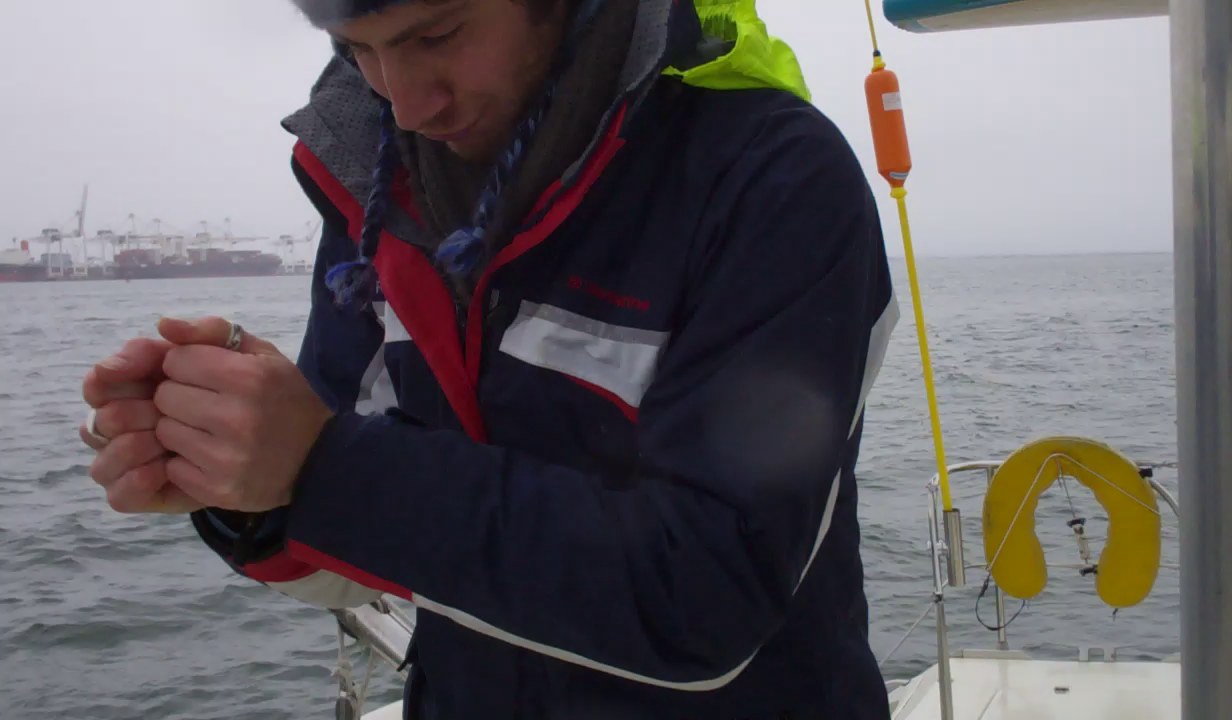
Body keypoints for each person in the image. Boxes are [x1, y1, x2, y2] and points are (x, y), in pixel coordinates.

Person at [79, 0, 899, 717]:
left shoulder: (774, 179)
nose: (405, 105)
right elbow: (358, 542)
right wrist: (237, 482)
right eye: (357, 49)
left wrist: (321, 467)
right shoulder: (375, 182)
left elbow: (707, 598)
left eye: (436, 34)